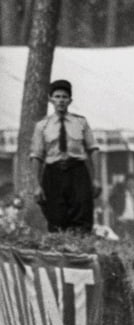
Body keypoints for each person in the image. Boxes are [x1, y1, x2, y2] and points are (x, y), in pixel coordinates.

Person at [30, 78, 100, 233]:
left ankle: (81, 250)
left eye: (64, 97)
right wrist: (36, 185)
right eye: (57, 97)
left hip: (77, 173)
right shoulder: (42, 126)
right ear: (50, 100)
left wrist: (96, 179)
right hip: (53, 174)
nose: (61, 101)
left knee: (82, 214)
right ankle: (60, 253)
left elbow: (93, 149)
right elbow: (37, 156)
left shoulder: (80, 122)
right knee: (56, 218)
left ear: (70, 100)